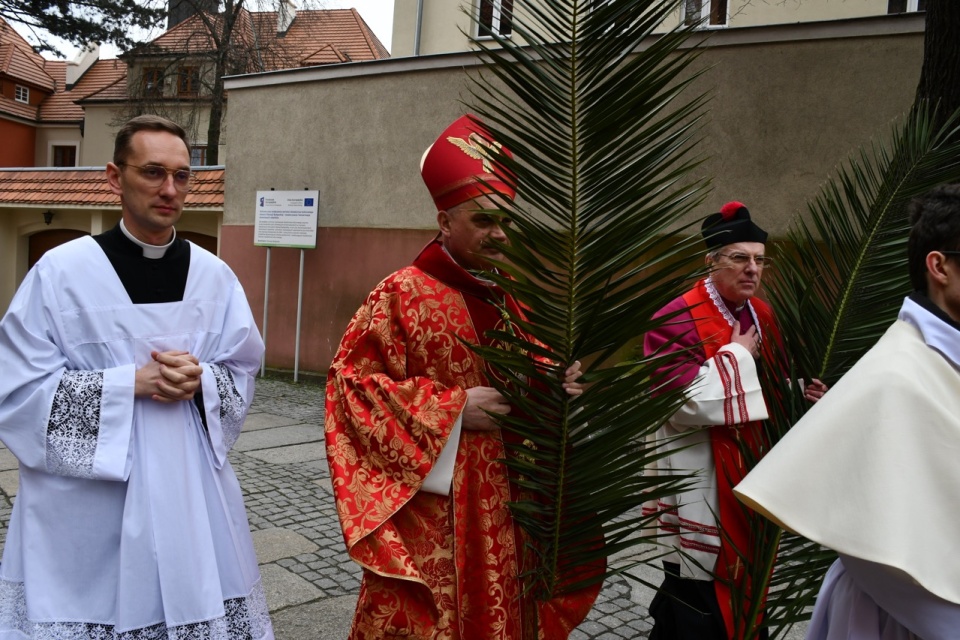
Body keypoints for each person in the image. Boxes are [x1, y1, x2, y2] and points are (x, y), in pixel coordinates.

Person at [324, 114, 599, 640]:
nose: (500, 234)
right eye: (484, 221)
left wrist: (559, 382)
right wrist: (450, 412)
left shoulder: (514, 295)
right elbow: (348, 389)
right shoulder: (401, 293)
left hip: (513, 504)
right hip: (438, 511)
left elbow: (534, 368)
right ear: (445, 222)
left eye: (507, 223)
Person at [0, 115, 272, 638]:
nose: (170, 189)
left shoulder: (215, 276)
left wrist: (203, 381)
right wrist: (130, 385)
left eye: (182, 175)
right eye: (152, 172)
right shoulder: (60, 273)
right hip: (89, 501)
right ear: (113, 177)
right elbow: (17, 391)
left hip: (189, 487)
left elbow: (241, 366)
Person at [735, 185, 960, 639]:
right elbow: (877, 548)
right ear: (939, 267)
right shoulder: (896, 376)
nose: (753, 270)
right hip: (896, 617)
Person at [642, 201, 827, 640]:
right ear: (711, 261)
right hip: (697, 474)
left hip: (748, 469)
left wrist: (797, 394)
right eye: (740, 258)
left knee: (744, 580)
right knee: (694, 585)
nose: (752, 270)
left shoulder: (761, 315)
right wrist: (738, 354)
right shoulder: (676, 315)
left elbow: (768, 386)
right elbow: (678, 404)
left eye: (760, 260)